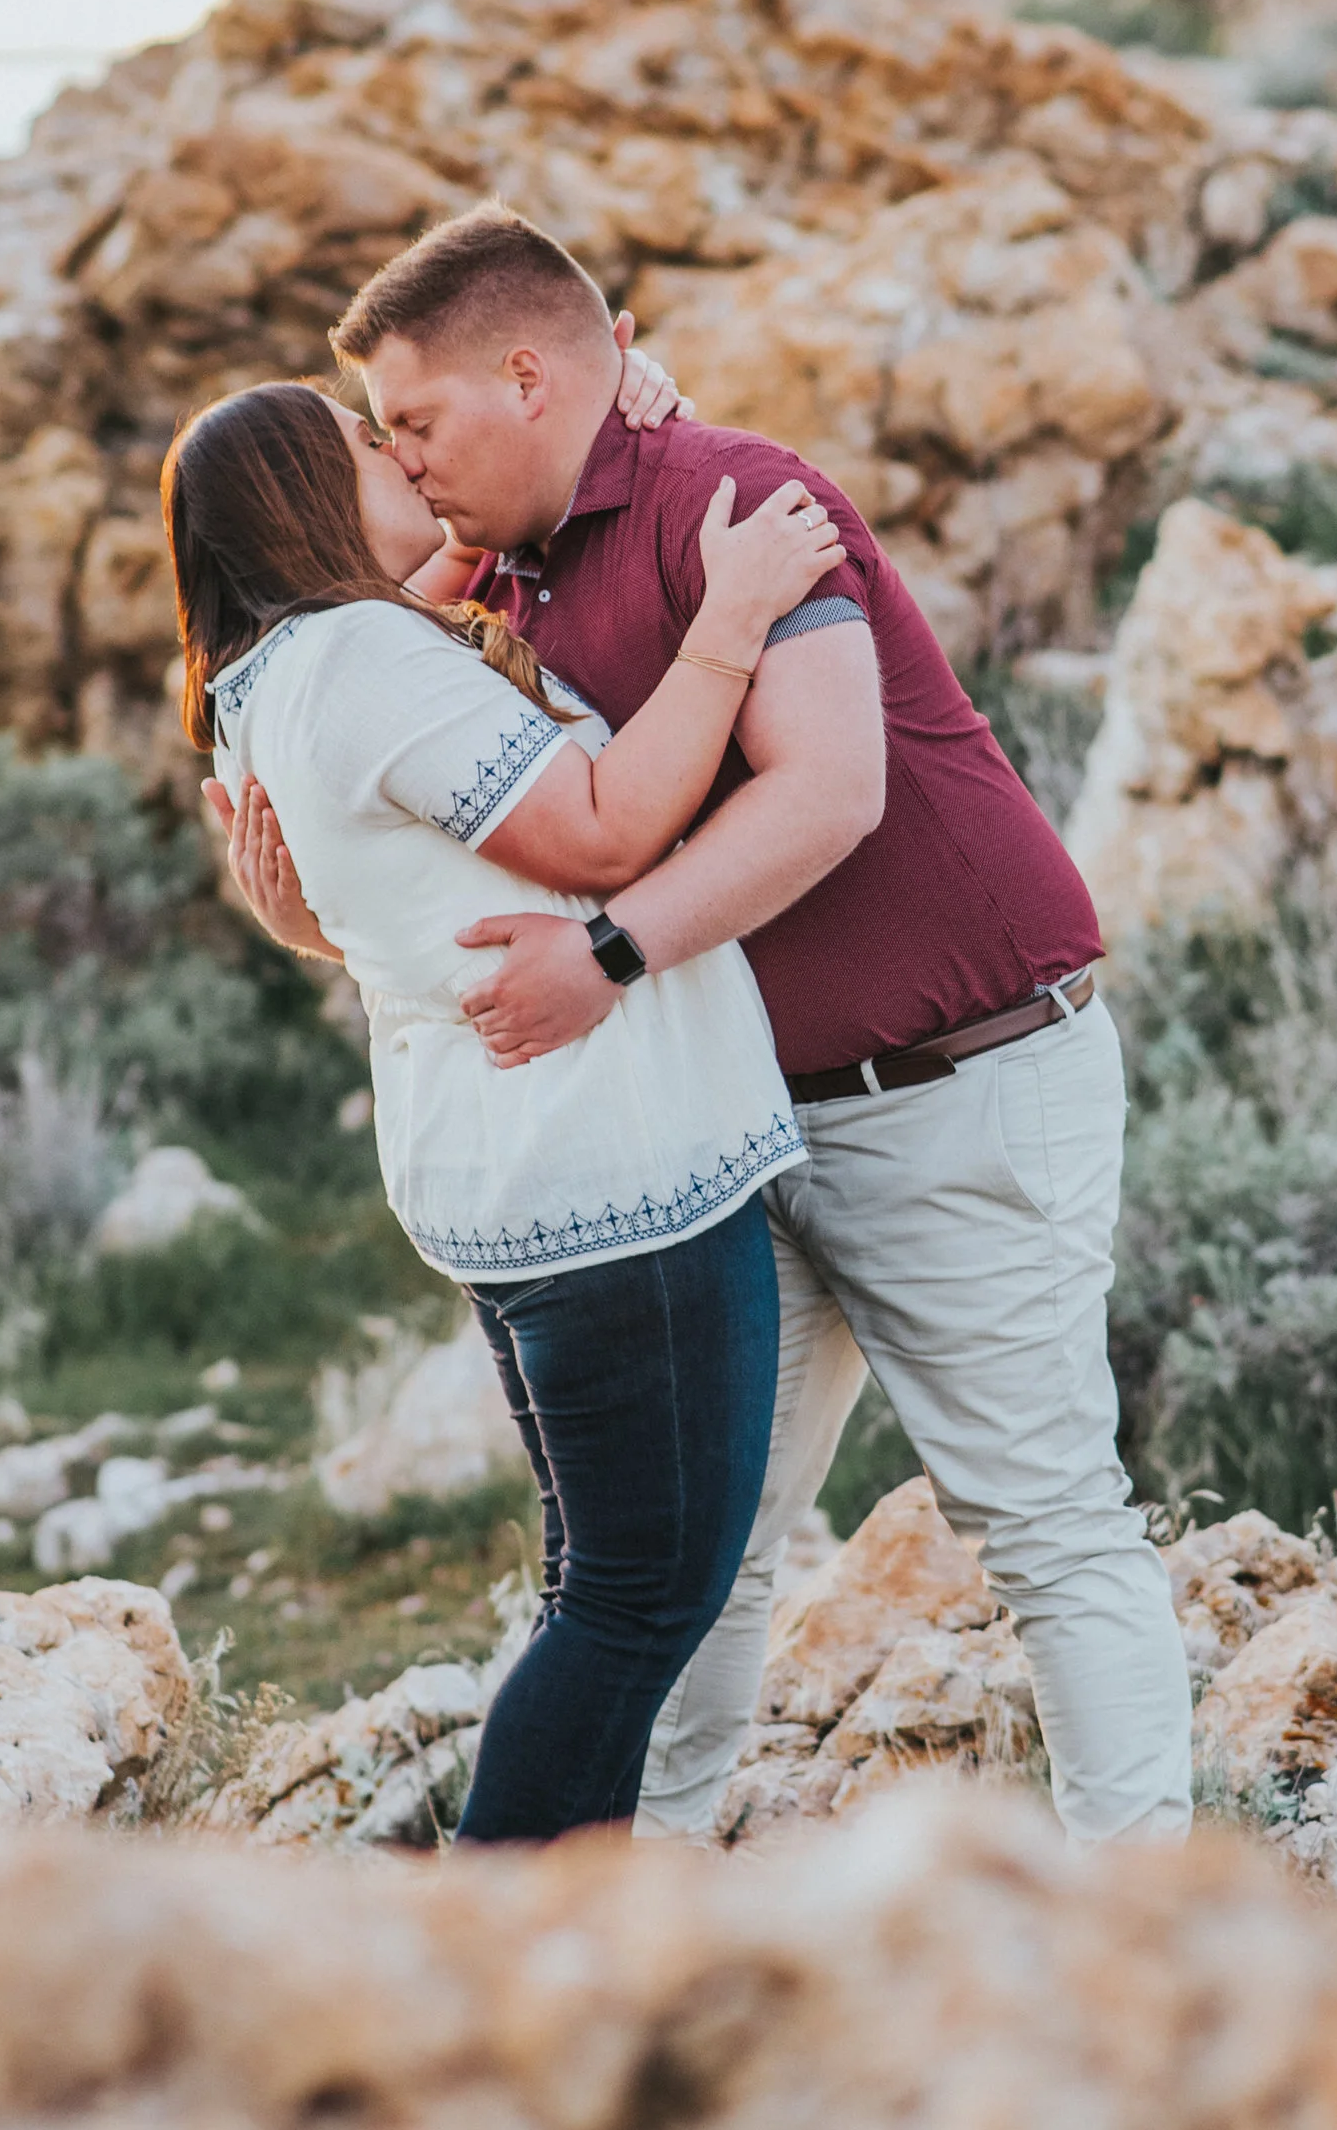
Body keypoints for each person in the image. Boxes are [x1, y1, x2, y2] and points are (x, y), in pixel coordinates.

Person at [227, 204, 1193, 1846]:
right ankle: (639, 1908)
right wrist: (300, 902)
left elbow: (831, 788)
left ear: (528, 375)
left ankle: (1139, 1930)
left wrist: (604, 956)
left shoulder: (737, 501)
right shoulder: (487, 583)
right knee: (701, 1560)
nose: (401, 459)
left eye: (416, 422)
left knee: (1042, 1523)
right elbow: (417, 861)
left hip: (954, 1077)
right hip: (739, 1127)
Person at [161, 370, 848, 1843]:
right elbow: (601, 831)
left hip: (520, 1176)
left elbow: (399, 891)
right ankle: (494, 1950)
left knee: (595, 1582)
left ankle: (559, 1953)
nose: (397, 448)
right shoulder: (355, 658)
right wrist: (733, 618)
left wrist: (601, 400)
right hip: (609, 1171)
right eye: (363, 440)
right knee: (637, 1597)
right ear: (301, 493)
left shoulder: (271, 679)